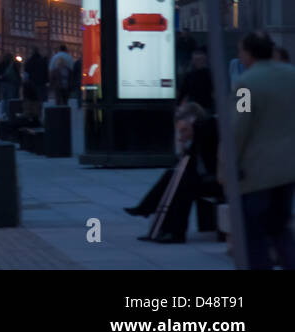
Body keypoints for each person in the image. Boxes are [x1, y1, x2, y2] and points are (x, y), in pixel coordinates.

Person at [233, 31, 295, 269]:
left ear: (248, 53)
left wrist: (228, 164)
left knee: (254, 233)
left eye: (240, 51)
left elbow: (239, 126)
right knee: (280, 228)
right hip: (288, 167)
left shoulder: (246, 84)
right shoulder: (292, 76)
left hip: (256, 170)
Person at [126, 102, 220, 243]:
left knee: (183, 186)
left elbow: (193, 161)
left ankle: (173, 230)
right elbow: (185, 163)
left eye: (184, 130)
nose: (182, 134)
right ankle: (159, 223)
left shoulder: (206, 129)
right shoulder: (198, 133)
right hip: (207, 176)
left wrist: (186, 142)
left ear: (194, 122)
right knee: (173, 175)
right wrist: (183, 144)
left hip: (217, 179)